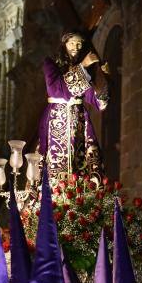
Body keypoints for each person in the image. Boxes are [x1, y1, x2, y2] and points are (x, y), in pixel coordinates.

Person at [37, 31, 109, 180]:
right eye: (71, 43)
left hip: (79, 122)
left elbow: (98, 102)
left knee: (81, 165)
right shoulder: (50, 64)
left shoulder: (85, 72)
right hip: (56, 122)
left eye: (79, 44)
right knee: (54, 165)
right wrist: (83, 66)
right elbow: (56, 90)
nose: (75, 47)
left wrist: (104, 79)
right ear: (64, 45)